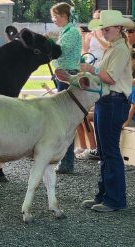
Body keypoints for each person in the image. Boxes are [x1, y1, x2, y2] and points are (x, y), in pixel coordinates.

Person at [80, 10, 133, 212]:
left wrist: (91, 69)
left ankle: (114, 200)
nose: (103, 32)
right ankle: (105, 196)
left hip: (113, 102)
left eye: (107, 29)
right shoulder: (115, 48)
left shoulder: (119, 50)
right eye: (102, 29)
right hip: (108, 101)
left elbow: (110, 78)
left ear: (119, 29)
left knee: (109, 152)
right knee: (105, 152)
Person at [49, 2, 82, 174]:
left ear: (66, 16)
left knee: (66, 120)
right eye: (54, 16)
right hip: (63, 75)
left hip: (67, 75)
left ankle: (67, 161)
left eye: (58, 16)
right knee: (64, 119)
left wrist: (48, 45)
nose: (55, 19)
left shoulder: (72, 32)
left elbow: (61, 51)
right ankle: (65, 159)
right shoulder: (67, 31)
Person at [75, 9, 108, 160]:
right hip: (90, 71)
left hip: (103, 73)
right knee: (82, 112)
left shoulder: (108, 34)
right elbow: (84, 51)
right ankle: (86, 146)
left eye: (98, 19)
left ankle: (95, 148)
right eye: (94, 19)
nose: (96, 22)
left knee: (93, 112)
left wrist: (97, 36)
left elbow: (108, 48)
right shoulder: (90, 35)